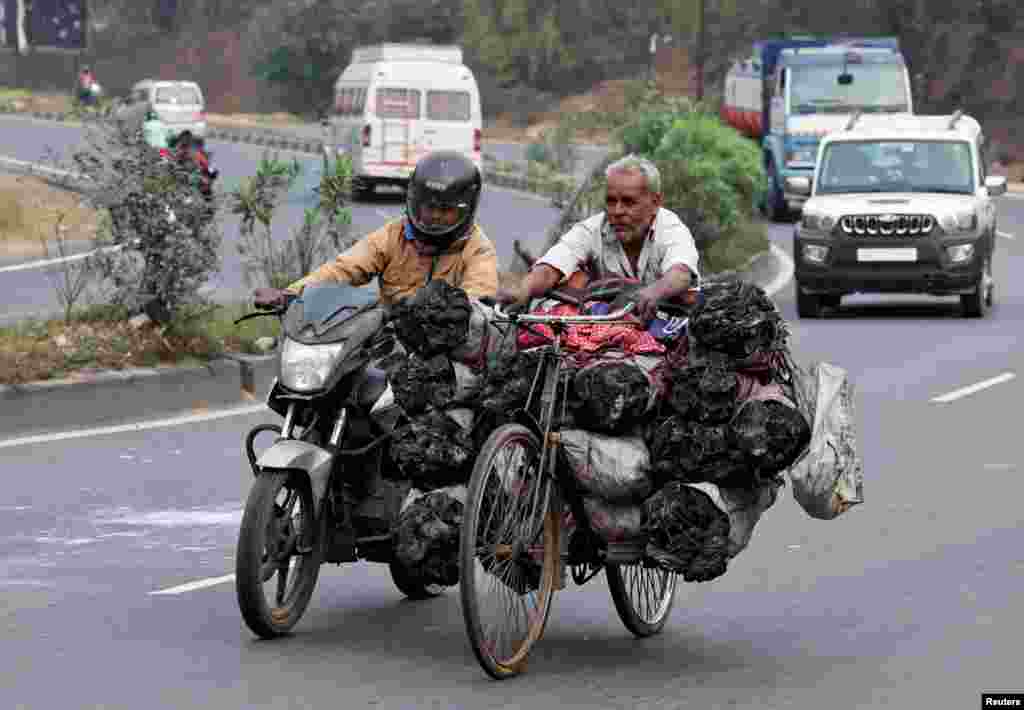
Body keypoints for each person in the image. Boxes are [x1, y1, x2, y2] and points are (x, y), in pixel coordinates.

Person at [253, 150, 498, 308]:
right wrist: (289, 295)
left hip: (446, 351)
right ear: (414, 201)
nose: (434, 217)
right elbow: (344, 268)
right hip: (388, 339)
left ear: (465, 210)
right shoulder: (394, 235)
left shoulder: (477, 249)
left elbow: (478, 299)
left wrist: (455, 312)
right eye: (428, 207)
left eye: (445, 211)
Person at [496, 154, 700, 320]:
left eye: (629, 202)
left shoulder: (672, 229)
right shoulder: (593, 228)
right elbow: (552, 266)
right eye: (611, 202)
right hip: (605, 332)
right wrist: (524, 288)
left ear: (655, 202)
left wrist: (654, 292)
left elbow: (680, 274)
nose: (617, 211)